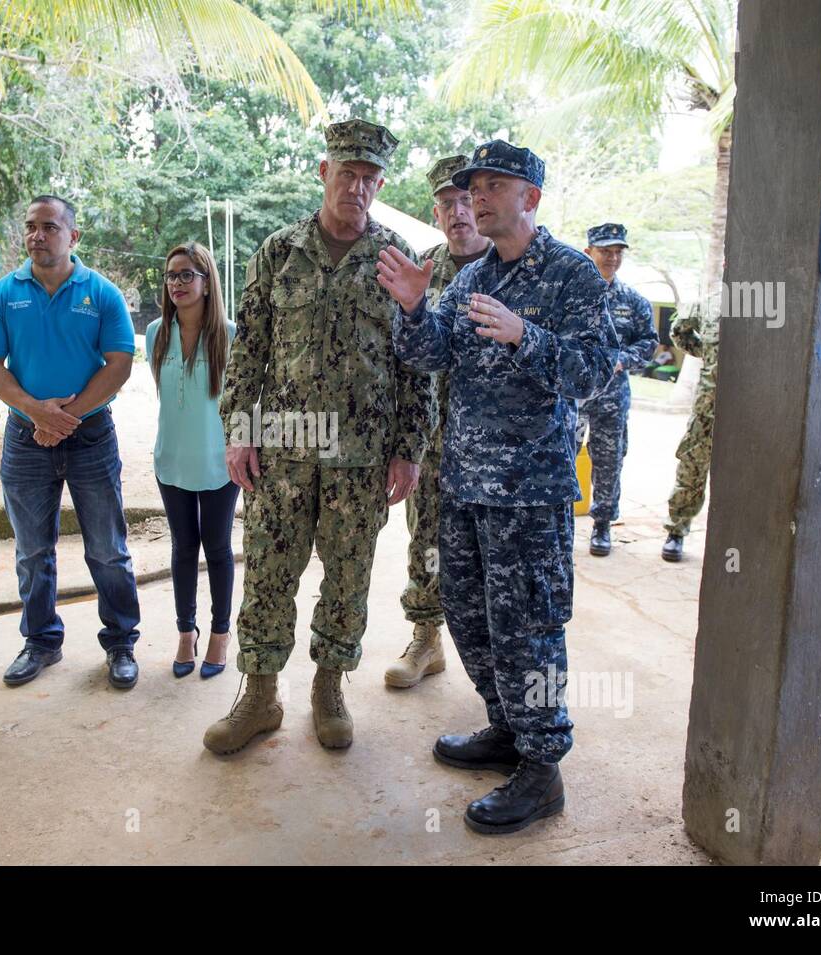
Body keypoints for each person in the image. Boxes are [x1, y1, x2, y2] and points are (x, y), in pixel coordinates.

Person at [377, 138, 617, 834]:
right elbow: (426, 354)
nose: (476, 197)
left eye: (492, 185)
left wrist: (526, 337)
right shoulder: (472, 275)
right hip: (467, 488)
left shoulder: (572, 275)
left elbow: (597, 374)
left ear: (530, 198)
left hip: (530, 494)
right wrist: (417, 308)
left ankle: (543, 769)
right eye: (472, 186)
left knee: (529, 629)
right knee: (469, 615)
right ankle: (507, 728)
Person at [202, 119, 433, 755]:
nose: (356, 187)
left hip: (361, 456)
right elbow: (250, 350)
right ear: (323, 173)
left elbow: (416, 362)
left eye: (369, 178)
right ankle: (260, 695)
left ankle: (329, 688)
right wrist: (240, 431)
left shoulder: (394, 261)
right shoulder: (278, 252)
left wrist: (409, 448)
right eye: (346, 173)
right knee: (271, 571)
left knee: (348, 573)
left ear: (379, 185)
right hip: (282, 447)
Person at [0, 195, 142, 691]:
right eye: (30, 226)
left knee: (107, 549)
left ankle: (120, 643)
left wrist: (65, 416)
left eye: (49, 226)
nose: (37, 235)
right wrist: (36, 411)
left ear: (74, 236)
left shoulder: (102, 294)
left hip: (90, 437)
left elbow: (120, 363)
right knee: (31, 551)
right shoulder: (3, 295)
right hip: (26, 440)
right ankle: (42, 642)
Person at [386, 153, 491, 689]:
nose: (458, 213)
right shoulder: (420, 271)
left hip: (491, 453)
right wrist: (406, 444)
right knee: (426, 541)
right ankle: (427, 641)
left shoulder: (507, 267)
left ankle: (496, 657)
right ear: (436, 213)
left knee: (489, 553)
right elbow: (403, 363)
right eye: (447, 204)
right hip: (432, 445)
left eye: (467, 201)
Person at [145, 242, 238, 679]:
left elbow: (245, 403)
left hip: (220, 463)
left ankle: (221, 634)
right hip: (172, 461)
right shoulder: (154, 334)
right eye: (171, 275)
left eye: (187, 274)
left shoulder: (230, 334)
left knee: (217, 548)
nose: (177, 283)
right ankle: (187, 632)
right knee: (183, 548)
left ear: (206, 281)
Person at [577, 224, 658, 556]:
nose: (612, 258)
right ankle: (558, 521)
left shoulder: (633, 301)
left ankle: (602, 524)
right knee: (562, 454)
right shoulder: (572, 293)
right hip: (574, 394)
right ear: (588, 252)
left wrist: (623, 360)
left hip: (612, 396)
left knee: (609, 458)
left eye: (617, 252)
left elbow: (649, 342)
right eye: (605, 251)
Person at [660, 298, 719, 562]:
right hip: (709, 402)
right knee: (692, 466)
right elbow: (679, 331)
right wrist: (707, 351)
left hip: (752, 406)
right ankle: (676, 530)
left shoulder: (768, 301)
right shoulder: (709, 303)